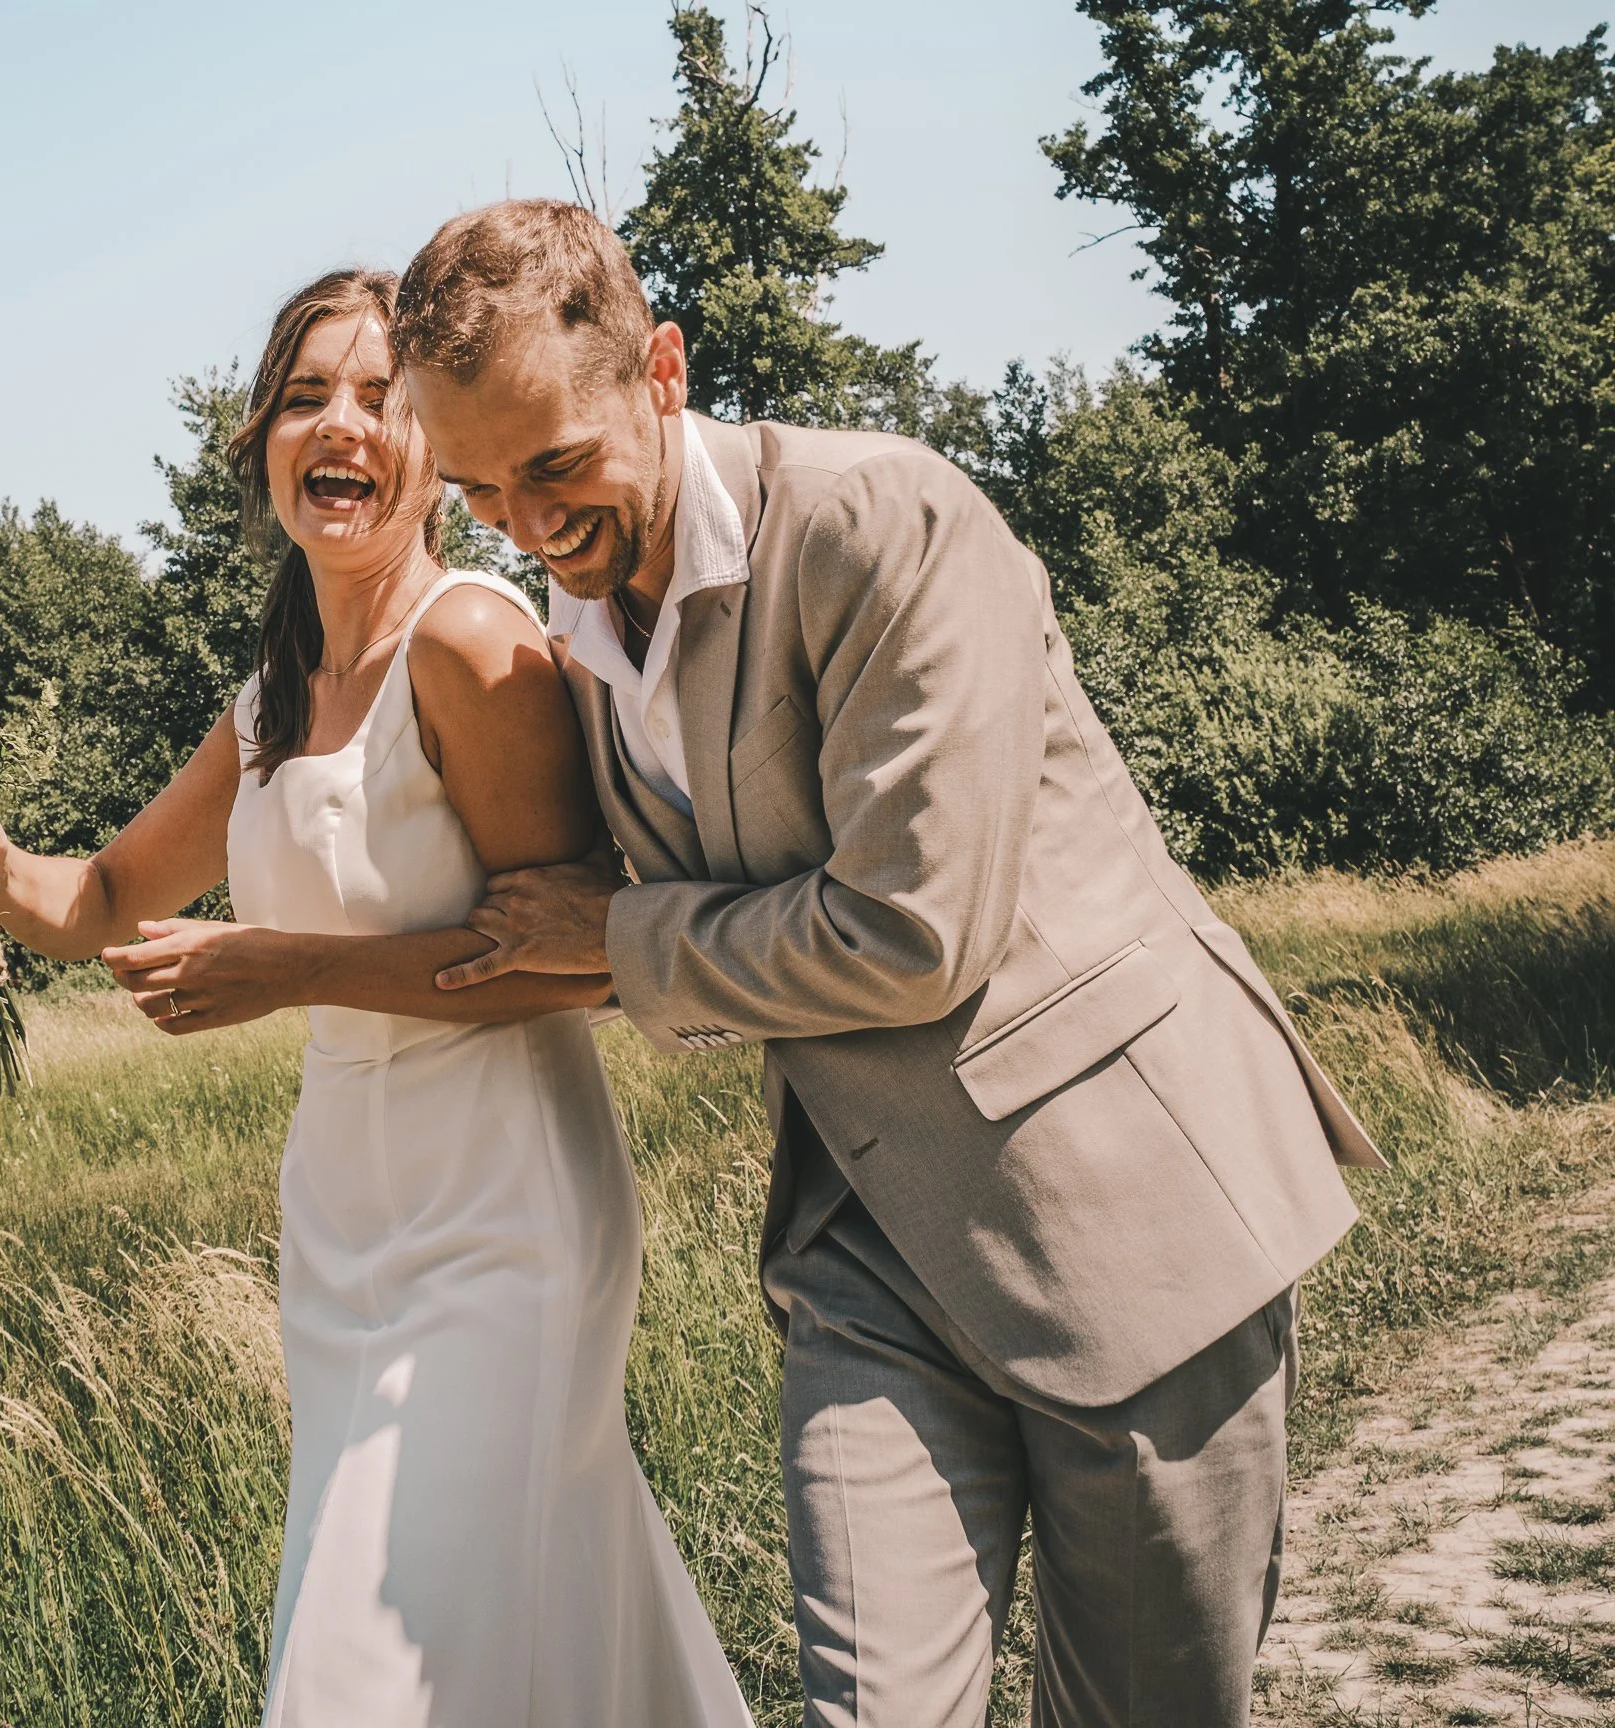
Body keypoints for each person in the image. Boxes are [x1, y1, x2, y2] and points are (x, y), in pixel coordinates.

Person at [384, 200, 1388, 1728]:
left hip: (1125, 1213)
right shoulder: (574, 628)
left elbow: (915, 932)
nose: (528, 528)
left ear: (661, 367)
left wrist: (621, 939)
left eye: (555, 467)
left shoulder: (880, 518)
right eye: (479, 493)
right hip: (864, 1242)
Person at [0, 268, 751, 1728]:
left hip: (505, 1218)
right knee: (524, 1634)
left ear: (437, 454)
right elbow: (103, 900)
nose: (338, 425)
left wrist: (285, 972)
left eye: (380, 397)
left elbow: (571, 956)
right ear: (263, 443)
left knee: (385, 1671)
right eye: (305, 397)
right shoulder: (272, 697)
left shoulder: (473, 645)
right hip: (345, 1229)